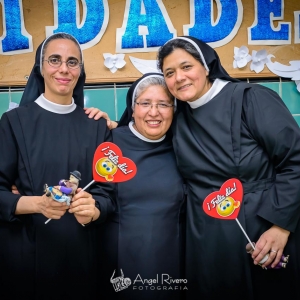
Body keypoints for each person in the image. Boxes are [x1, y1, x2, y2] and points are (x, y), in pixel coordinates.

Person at [156, 36, 300, 300]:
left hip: (264, 229)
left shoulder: (250, 99)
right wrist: (106, 124)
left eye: (186, 67)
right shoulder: (174, 116)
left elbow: (296, 159)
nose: (179, 77)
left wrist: (281, 226)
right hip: (206, 240)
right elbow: (139, 129)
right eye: (169, 72)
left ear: (207, 66)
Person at [0, 32, 115, 300]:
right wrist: (38, 204)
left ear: (80, 70)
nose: (64, 68)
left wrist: (95, 209)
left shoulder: (97, 126)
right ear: (41, 67)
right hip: (25, 258)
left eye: (72, 62)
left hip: (84, 258)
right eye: (55, 60)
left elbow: (110, 194)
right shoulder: (13, 122)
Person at [98, 73, 187, 300]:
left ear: (174, 109)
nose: (154, 112)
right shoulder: (110, 142)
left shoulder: (185, 145)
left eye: (163, 104)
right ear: (133, 107)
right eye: (145, 103)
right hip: (118, 256)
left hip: (173, 256)